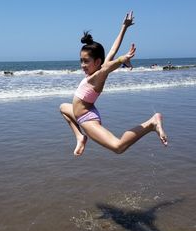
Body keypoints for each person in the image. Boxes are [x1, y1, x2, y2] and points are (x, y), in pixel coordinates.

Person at [60, 11, 168, 156]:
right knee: (62, 107)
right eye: (81, 60)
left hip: (87, 119)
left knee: (118, 147)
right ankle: (80, 137)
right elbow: (112, 49)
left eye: (86, 61)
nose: (82, 65)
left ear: (97, 62)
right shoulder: (96, 71)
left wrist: (123, 59)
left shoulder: (97, 76)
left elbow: (111, 65)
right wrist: (124, 27)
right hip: (81, 112)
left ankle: (151, 124)